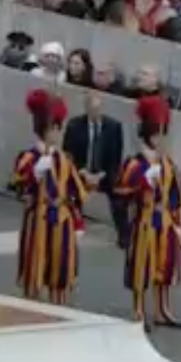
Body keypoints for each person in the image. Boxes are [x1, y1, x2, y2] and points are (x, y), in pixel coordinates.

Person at [114, 96, 181, 328]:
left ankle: (162, 309)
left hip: (164, 222)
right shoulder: (134, 164)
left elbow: (176, 194)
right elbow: (121, 192)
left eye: (162, 133)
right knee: (141, 266)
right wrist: (142, 182)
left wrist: (176, 222)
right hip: (143, 221)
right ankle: (138, 309)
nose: (159, 138)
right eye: (156, 133)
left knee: (165, 266)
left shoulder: (168, 164)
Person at [9, 90, 89, 305]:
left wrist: (78, 222)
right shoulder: (29, 157)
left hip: (62, 221)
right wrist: (34, 173)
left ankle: (59, 307)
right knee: (34, 267)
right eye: (53, 128)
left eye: (57, 128)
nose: (56, 133)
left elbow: (74, 194)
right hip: (38, 219)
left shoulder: (64, 159)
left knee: (60, 269)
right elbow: (18, 185)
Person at [63, 89, 128, 248]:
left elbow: (116, 158)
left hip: (104, 173)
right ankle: (72, 228)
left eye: (98, 109)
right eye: (92, 109)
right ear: (86, 108)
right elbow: (68, 155)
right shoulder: (74, 125)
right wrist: (83, 172)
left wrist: (102, 175)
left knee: (119, 196)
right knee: (69, 190)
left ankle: (125, 235)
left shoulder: (114, 127)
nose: (95, 112)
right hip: (81, 172)